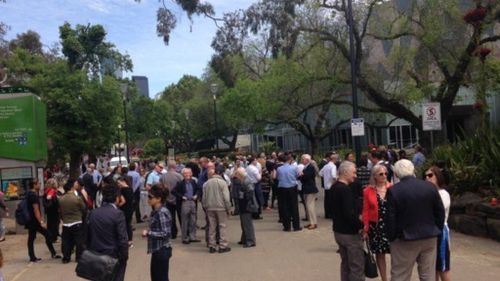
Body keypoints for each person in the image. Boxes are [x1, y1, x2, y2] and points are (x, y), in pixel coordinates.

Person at [387, 159, 445, 281]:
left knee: (400, 275)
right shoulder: (430, 187)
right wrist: (436, 229)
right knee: (428, 275)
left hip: (405, 238)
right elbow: (440, 212)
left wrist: (392, 237)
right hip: (429, 236)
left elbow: (391, 217)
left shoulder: (394, 191)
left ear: (396, 174)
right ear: (413, 170)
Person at [86, 184, 129, 281]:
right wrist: (124, 255)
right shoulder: (118, 214)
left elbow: (88, 235)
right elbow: (122, 238)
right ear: (117, 198)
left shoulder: (93, 213)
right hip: (113, 255)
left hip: (96, 254)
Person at [331, 161, 364, 281]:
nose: (355, 176)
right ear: (345, 172)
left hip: (338, 231)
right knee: (356, 266)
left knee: (346, 264)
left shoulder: (334, 187)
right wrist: (361, 225)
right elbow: (349, 214)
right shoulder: (345, 190)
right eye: (354, 172)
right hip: (349, 233)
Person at [362, 164, 392, 281]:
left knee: (396, 252)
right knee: (380, 254)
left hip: (391, 225)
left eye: (385, 173)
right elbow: (365, 211)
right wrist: (365, 228)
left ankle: (396, 277)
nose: (384, 176)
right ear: (374, 176)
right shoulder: (368, 191)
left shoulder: (392, 188)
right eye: (381, 174)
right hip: (377, 226)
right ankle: (384, 278)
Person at [425, 166, 451, 281]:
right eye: (425, 176)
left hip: (440, 231)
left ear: (438, 177)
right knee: (433, 267)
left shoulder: (443, 193)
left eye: (430, 175)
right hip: (430, 231)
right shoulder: (428, 193)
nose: (427, 178)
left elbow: (437, 212)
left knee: (442, 267)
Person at [26, 179, 61, 262]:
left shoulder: (29, 194)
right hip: (35, 221)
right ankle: (51, 253)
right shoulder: (33, 195)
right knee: (46, 235)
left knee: (32, 238)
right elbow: (36, 209)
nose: (40, 185)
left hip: (31, 220)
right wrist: (41, 221)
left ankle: (33, 256)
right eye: (38, 183)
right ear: (34, 185)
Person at [142, 184, 172, 281]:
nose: (148, 199)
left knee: (160, 278)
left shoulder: (161, 212)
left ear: (158, 199)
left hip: (161, 250)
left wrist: (149, 233)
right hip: (157, 250)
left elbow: (166, 233)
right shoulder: (156, 211)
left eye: (150, 197)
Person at [202, 164, 232, 253]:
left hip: (210, 207)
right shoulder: (223, 183)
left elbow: (204, 197)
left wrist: (205, 206)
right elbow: (226, 198)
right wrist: (228, 208)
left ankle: (212, 245)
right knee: (222, 226)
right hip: (221, 207)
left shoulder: (207, 183)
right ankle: (223, 246)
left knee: (212, 226)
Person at [59, 179, 86, 263]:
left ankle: (66, 257)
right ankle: (78, 257)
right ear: (71, 188)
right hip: (77, 221)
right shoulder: (77, 198)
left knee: (66, 241)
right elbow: (84, 209)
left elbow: (60, 211)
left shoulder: (61, 199)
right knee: (78, 241)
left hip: (66, 223)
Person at [173, 168, 201, 244]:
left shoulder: (193, 182)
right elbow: (173, 191)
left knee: (193, 220)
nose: (187, 175)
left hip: (192, 202)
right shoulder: (180, 183)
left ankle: (193, 237)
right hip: (184, 202)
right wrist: (182, 196)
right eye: (185, 173)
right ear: (183, 174)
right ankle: (185, 238)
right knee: (185, 220)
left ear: (191, 174)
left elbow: (198, 189)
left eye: (189, 173)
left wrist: (196, 195)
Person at [232, 167, 256, 248]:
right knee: (244, 223)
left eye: (237, 174)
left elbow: (250, 192)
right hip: (244, 205)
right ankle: (244, 238)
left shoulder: (246, 181)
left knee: (247, 224)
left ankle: (250, 241)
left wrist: (243, 196)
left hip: (246, 205)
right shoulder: (244, 180)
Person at [276, 154, 301, 232]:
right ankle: (296, 226)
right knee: (294, 207)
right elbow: (297, 176)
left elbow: (278, 178)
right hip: (292, 187)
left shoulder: (279, 168)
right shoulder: (294, 168)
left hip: (282, 188)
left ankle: (287, 227)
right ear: (289, 160)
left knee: (284, 207)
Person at [160, 160, 183, 239]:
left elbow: (161, 187)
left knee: (171, 217)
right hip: (178, 199)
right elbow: (182, 187)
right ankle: (184, 232)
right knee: (181, 216)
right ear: (175, 166)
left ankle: (173, 233)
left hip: (167, 199)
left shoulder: (163, 176)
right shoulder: (179, 176)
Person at [298, 154, 319, 230]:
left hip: (310, 188)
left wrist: (301, 175)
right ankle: (311, 222)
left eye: (302, 159)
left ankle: (313, 223)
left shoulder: (310, 167)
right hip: (307, 188)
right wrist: (301, 175)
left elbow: (306, 177)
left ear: (307, 160)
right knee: (308, 206)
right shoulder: (306, 167)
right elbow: (300, 177)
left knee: (310, 206)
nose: (301, 160)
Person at [117, 176, 134, 247]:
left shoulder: (122, 190)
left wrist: (118, 206)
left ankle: (126, 241)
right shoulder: (130, 188)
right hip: (130, 209)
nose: (118, 184)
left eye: (118, 183)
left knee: (124, 225)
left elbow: (123, 201)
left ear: (123, 181)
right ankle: (130, 241)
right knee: (128, 225)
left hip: (124, 209)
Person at [319, 153, 338, 219]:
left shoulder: (326, 166)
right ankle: (332, 214)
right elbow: (334, 176)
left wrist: (326, 177)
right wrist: (334, 183)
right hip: (331, 185)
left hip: (326, 185)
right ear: (334, 159)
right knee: (332, 200)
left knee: (326, 200)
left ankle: (327, 214)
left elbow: (320, 173)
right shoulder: (333, 166)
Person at [44, 178, 60, 243]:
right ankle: (54, 238)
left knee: (50, 223)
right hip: (54, 211)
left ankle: (50, 237)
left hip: (49, 211)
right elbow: (53, 201)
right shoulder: (52, 191)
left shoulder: (46, 191)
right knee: (54, 224)